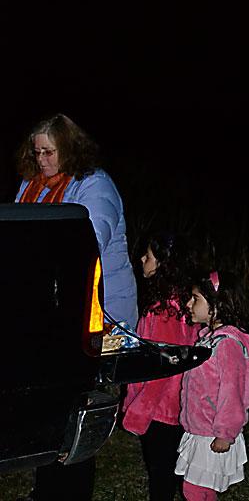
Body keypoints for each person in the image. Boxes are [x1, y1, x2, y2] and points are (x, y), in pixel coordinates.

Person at [15, 112, 138, 501]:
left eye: (49, 152)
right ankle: (47, 488)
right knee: (50, 406)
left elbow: (85, 246)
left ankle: (71, 491)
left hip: (99, 313)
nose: (42, 160)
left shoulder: (94, 186)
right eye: (36, 153)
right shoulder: (31, 185)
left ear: (69, 149)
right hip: (49, 314)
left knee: (82, 408)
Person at [122, 232, 200, 501]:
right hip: (173, 408)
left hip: (161, 411)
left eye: (148, 256)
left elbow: (162, 369)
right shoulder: (179, 304)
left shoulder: (165, 311)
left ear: (164, 264)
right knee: (167, 472)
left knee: (161, 475)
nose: (142, 259)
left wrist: (138, 412)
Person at [175, 270, 249, 501]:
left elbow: (233, 392)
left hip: (212, 431)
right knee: (200, 489)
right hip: (200, 429)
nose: (188, 303)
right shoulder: (208, 339)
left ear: (216, 304)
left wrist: (226, 432)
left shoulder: (226, 345)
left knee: (195, 490)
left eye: (196, 299)